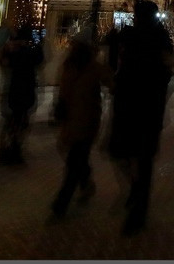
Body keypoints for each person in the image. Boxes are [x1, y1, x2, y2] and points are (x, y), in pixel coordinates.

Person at [107, 0, 173, 236]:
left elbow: (164, 72)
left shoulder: (151, 38)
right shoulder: (138, 36)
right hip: (140, 105)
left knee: (137, 157)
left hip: (139, 105)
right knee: (129, 155)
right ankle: (138, 197)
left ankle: (138, 210)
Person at [51, 38, 112, 216]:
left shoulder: (71, 66)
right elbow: (111, 82)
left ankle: (62, 200)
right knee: (77, 157)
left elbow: (61, 91)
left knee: (74, 159)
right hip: (84, 119)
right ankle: (86, 183)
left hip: (78, 120)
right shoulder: (91, 67)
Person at [0, 25, 45, 164]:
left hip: (13, 91)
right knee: (21, 122)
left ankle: (7, 148)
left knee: (11, 121)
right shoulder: (30, 53)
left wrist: (10, 48)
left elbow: (4, 63)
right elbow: (40, 58)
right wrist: (36, 43)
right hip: (25, 92)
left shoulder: (14, 52)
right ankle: (15, 149)